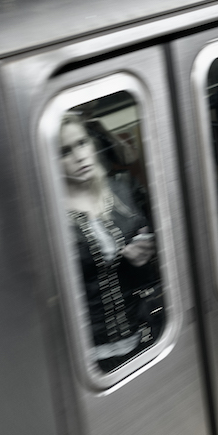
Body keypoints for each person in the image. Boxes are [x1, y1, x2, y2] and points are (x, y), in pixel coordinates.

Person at [59, 116, 159, 372]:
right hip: (88, 350)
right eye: (65, 152)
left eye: (82, 143)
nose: (79, 156)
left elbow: (155, 234)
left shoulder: (122, 189)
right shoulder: (51, 219)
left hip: (144, 327)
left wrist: (147, 249)